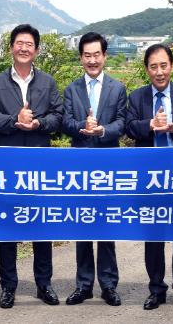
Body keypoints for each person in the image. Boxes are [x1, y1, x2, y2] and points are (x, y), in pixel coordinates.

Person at [0, 24, 63, 308]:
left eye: (29, 44)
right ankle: (8, 286)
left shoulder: (48, 82)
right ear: (11, 48)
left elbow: (58, 116)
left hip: (40, 163)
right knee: (7, 224)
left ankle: (44, 284)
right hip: (7, 163)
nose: (24, 48)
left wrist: (38, 123)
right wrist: (14, 121)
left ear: (37, 50)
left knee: (41, 224)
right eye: (19, 43)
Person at [126, 43, 173, 312]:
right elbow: (129, 126)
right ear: (147, 69)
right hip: (151, 177)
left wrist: (172, 128)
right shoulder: (137, 97)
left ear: (171, 66)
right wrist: (149, 125)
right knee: (153, 235)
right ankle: (156, 289)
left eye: (163, 65)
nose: (159, 72)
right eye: (153, 66)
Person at [62, 32, 126, 307]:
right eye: (87, 55)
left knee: (106, 226)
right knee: (83, 224)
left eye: (96, 54)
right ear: (81, 58)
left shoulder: (117, 88)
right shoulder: (72, 89)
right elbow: (65, 122)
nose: (92, 60)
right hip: (80, 166)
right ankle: (84, 285)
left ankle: (109, 285)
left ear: (104, 56)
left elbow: (122, 122)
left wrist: (102, 130)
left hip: (108, 164)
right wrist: (82, 126)